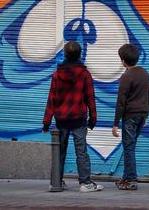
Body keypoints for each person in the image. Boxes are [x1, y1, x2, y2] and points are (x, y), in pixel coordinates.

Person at [42, 41, 103, 193]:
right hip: (79, 120)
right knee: (81, 151)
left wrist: (46, 122)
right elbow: (90, 98)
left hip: (61, 119)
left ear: (65, 54)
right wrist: (93, 119)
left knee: (59, 151)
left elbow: (51, 99)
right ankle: (85, 183)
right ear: (79, 54)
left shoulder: (57, 74)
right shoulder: (84, 74)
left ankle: (56, 182)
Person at [112, 44, 149, 190]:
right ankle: (125, 178)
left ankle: (131, 180)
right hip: (142, 114)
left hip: (130, 116)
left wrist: (115, 123)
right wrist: (145, 114)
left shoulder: (126, 76)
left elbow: (120, 102)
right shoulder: (144, 73)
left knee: (128, 148)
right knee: (131, 146)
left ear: (123, 60)